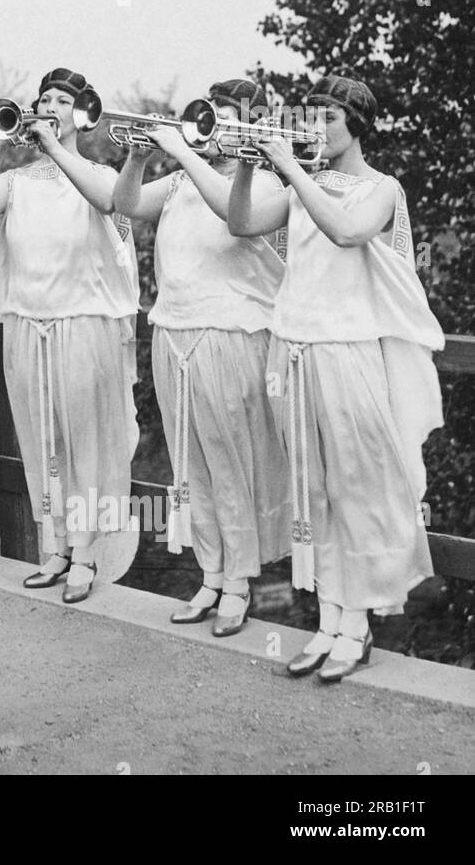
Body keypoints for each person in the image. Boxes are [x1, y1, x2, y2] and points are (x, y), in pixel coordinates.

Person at [228, 72, 443, 682]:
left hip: (347, 355)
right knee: (312, 489)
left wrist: (290, 170)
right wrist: (249, 163)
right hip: (291, 350)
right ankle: (328, 620)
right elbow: (242, 223)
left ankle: (358, 625)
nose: (312, 128)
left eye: (325, 118)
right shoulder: (305, 185)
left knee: (356, 490)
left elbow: (347, 233)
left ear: (357, 127)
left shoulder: (381, 188)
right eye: (309, 116)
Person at [113, 78, 289, 635]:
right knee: (193, 468)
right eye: (210, 113)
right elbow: (124, 204)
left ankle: (239, 580)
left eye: (225, 116)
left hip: (230, 336)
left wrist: (183, 151)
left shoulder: (261, 182)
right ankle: (211, 575)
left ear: (250, 126)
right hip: (174, 334)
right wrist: (140, 159)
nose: (210, 123)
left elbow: (231, 215)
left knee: (232, 462)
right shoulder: (183, 183)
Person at [0, 67, 139, 603]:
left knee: (83, 444)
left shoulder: (98, 172)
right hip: (27, 325)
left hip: (81, 327)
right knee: (43, 446)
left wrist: (54, 146)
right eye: (43, 99)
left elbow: (108, 202)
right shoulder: (18, 182)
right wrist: (1, 145)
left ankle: (87, 555)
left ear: (79, 114)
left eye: (61, 100)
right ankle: (57, 549)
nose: (48, 106)